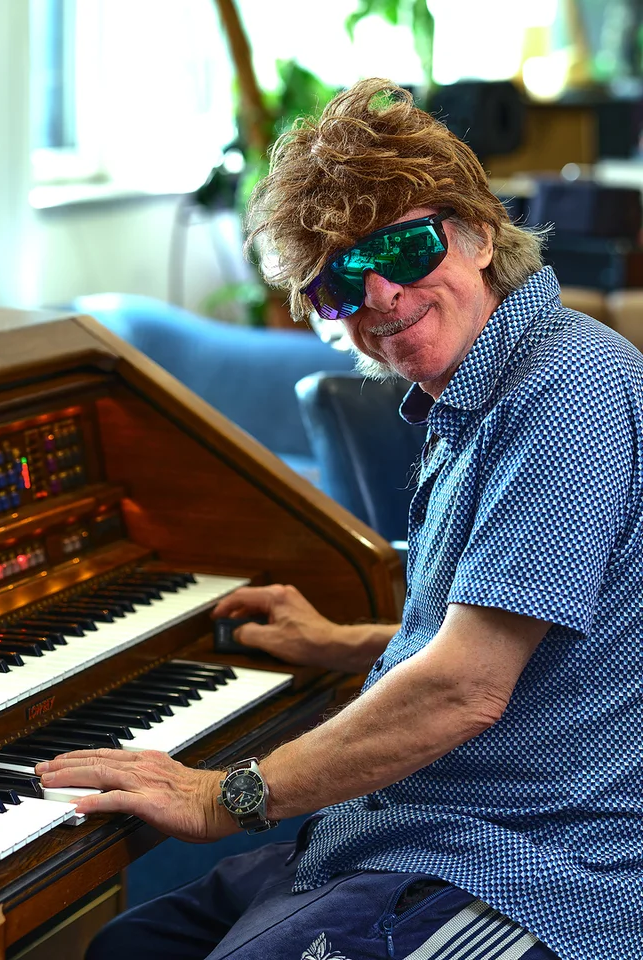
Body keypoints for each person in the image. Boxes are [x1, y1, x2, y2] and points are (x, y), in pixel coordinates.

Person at [36, 79, 643, 960]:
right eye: (339, 283)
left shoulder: (564, 389)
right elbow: (531, 636)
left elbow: (466, 687)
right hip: (410, 831)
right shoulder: (476, 390)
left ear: (477, 232)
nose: (381, 296)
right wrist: (341, 642)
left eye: (405, 246)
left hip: (538, 867)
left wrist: (219, 797)